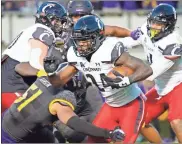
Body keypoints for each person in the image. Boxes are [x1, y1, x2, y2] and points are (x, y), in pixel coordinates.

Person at [43, 15, 153, 143]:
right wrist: (50, 72)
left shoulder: (109, 50)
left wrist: (126, 80)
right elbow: (58, 82)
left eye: (85, 40)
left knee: (123, 141)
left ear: (97, 38)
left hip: (131, 104)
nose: (81, 45)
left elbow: (146, 69)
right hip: (110, 106)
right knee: (93, 141)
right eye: (78, 41)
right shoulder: (75, 55)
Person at [1, 76, 125, 143]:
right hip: (10, 138)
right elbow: (75, 123)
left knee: (52, 138)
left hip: (8, 120)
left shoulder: (43, 78)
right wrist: (107, 133)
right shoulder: (60, 100)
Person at [1, 1, 67, 113]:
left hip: (6, 83)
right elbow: (36, 63)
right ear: (48, 19)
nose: (61, 25)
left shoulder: (31, 29)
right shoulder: (44, 31)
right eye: (59, 20)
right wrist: (55, 76)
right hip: (12, 87)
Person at [132, 3, 182, 142]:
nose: (154, 26)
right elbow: (130, 39)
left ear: (169, 25)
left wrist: (129, 79)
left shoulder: (173, 41)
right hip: (161, 88)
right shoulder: (147, 30)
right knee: (137, 120)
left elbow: (156, 69)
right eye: (153, 22)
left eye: (159, 24)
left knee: (176, 121)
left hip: (178, 86)